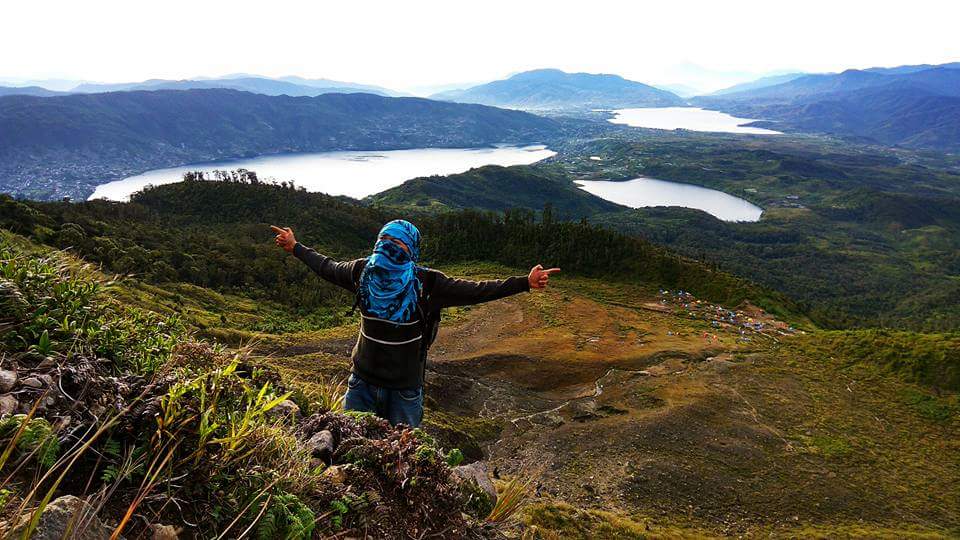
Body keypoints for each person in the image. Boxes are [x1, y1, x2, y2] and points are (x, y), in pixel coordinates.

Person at [271, 220, 559, 427]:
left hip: (404, 390)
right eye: (385, 241)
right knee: (351, 447)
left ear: (412, 250)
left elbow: (478, 290)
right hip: (362, 382)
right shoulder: (362, 272)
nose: (389, 248)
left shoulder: (428, 284)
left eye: (398, 244)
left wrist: (525, 283)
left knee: (403, 461)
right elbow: (327, 267)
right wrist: (295, 247)